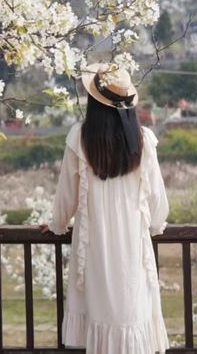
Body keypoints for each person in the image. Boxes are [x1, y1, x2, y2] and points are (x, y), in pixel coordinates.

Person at [41, 63, 170, 354]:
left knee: (100, 325)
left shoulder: (80, 138)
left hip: (96, 250)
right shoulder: (142, 140)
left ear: (94, 103)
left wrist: (58, 225)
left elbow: (66, 195)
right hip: (133, 251)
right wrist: (153, 226)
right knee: (133, 320)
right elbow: (158, 205)